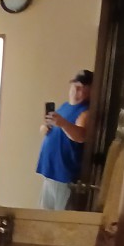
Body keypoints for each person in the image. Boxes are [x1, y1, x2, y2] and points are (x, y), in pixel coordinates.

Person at [36, 69, 92, 210]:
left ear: (90, 91)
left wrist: (62, 123)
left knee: (60, 219)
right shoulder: (64, 107)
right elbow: (52, 129)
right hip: (49, 172)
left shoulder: (85, 112)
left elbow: (80, 136)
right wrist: (45, 128)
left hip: (65, 176)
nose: (76, 91)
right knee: (43, 218)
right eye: (75, 86)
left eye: (82, 88)